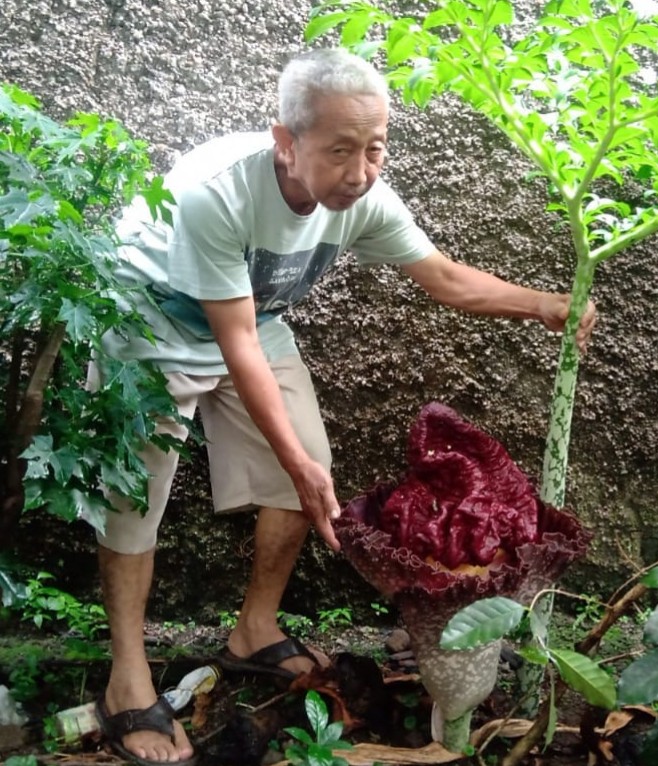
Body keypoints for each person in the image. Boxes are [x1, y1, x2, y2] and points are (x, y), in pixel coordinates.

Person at [91, 47, 598, 766]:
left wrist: (545, 305)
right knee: (134, 498)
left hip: (250, 318)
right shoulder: (219, 193)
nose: (360, 172)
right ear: (286, 143)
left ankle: (254, 631)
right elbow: (232, 341)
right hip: (152, 318)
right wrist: (293, 461)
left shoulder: (365, 200)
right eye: (339, 151)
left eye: (375, 149)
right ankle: (127, 680)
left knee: (312, 480)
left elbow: (445, 279)